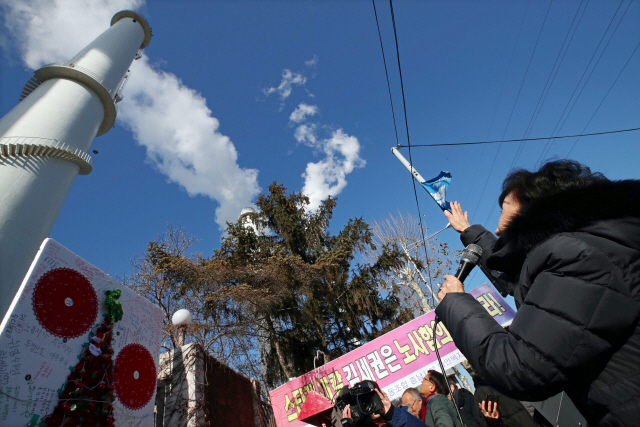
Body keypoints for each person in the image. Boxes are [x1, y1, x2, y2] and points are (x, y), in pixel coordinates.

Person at [435, 160, 640, 426]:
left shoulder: (580, 258)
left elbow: (519, 367)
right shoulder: (592, 246)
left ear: (532, 206)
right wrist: (469, 231)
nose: (497, 229)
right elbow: (518, 274)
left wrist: (455, 303)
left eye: (503, 209)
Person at [340, 381, 427, 427]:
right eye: (362, 403)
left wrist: (392, 414)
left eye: (370, 400)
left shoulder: (402, 416)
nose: (368, 406)